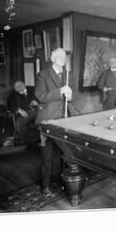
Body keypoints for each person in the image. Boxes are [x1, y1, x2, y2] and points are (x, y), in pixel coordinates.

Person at [34, 48, 74, 196]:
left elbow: (70, 97)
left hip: (63, 119)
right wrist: (60, 91)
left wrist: (69, 96)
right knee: (47, 156)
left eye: (64, 57)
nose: (62, 59)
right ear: (52, 58)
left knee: (66, 153)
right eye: (59, 57)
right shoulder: (42, 75)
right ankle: (45, 187)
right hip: (47, 120)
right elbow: (40, 96)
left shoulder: (67, 75)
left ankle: (66, 183)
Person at [7, 80, 38, 145]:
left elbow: (40, 98)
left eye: (23, 91)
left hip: (35, 111)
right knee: (20, 123)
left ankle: (38, 140)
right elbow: (10, 106)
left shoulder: (32, 89)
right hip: (23, 113)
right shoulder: (12, 94)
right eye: (21, 92)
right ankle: (26, 142)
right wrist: (19, 110)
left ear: (24, 86)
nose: (23, 93)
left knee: (42, 120)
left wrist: (35, 101)